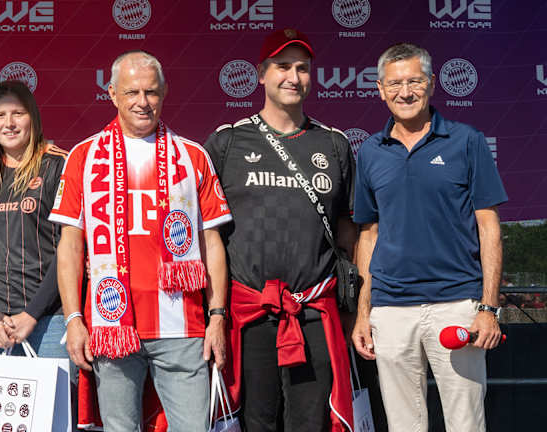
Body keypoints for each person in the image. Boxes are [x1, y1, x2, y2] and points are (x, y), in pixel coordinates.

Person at [51, 50, 232, 431]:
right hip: (109, 325)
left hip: (183, 327)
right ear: (113, 93)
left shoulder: (192, 155)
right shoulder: (83, 157)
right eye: (132, 92)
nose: (142, 102)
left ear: (164, 93)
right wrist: (73, 320)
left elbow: (211, 242)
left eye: (151, 92)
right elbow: (70, 246)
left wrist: (217, 317)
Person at [204, 28, 355, 432]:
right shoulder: (227, 142)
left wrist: (356, 307)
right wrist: (214, 312)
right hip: (248, 314)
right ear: (260, 74)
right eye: (282, 66)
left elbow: (347, 234)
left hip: (312, 312)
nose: (293, 77)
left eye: (303, 68)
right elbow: (208, 236)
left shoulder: (335, 145)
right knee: (256, 420)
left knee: (310, 422)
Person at [351, 43, 507, 432]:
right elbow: (368, 234)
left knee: (466, 424)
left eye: (414, 81)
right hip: (391, 310)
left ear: (432, 84)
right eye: (395, 84)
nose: (405, 92)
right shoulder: (370, 152)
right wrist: (363, 312)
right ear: (380, 89)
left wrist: (488, 308)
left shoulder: (467, 141)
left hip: (457, 305)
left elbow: (489, 228)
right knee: (404, 425)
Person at [0, 80, 69, 358]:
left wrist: (32, 314)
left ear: (33, 118)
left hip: (51, 320)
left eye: (18, 114)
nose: (9, 123)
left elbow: (69, 250)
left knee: (54, 404)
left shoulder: (57, 166)